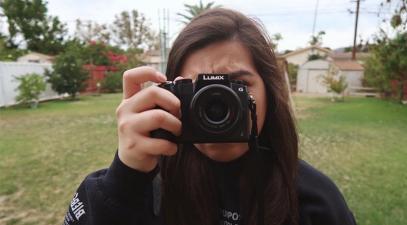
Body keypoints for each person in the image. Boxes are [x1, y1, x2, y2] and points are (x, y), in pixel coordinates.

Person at [63, 8, 357, 225]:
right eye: (199, 89)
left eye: (238, 85)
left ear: (270, 91)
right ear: (170, 94)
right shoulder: (144, 187)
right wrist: (126, 177)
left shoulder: (314, 201)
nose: (217, 103)